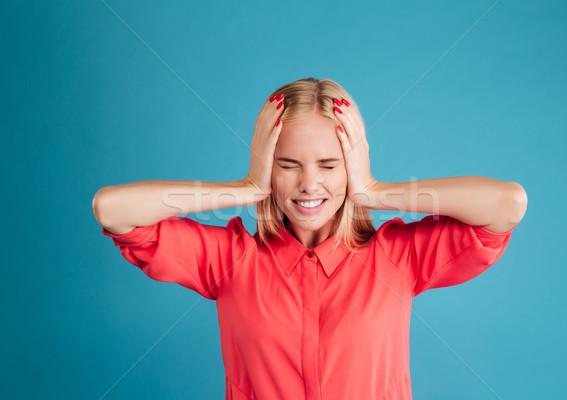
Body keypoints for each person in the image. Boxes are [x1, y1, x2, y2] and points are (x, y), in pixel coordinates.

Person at [93, 77, 527, 400]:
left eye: (328, 164)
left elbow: (507, 203)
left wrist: (374, 191)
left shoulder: (398, 256)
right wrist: (246, 187)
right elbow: (112, 209)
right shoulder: (230, 259)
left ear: (351, 167)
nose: (309, 183)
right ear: (268, 166)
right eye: (287, 164)